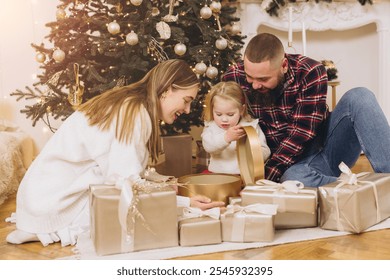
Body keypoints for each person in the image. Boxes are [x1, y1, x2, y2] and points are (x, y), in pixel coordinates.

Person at [6, 59, 224, 247]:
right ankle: (47, 229)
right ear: (167, 89)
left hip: (39, 195)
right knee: (125, 212)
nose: (187, 110)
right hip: (50, 201)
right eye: (187, 100)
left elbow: (128, 169)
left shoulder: (132, 104)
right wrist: (185, 203)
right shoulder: (133, 112)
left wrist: (168, 186)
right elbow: (125, 184)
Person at [223, 33, 390, 186]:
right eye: (249, 77)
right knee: (295, 180)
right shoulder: (233, 77)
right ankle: (360, 189)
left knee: (360, 96)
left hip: (325, 150)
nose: (254, 84)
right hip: (289, 168)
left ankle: (387, 181)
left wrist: (266, 178)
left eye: (263, 79)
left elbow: (301, 134)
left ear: (284, 65)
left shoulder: (310, 72)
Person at [201, 81, 271, 174]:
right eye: (218, 114)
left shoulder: (250, 126)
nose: (224, 119)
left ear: (241, 110)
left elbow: (265, 151)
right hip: (217, 175)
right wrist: (226, 138)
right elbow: (209, 147)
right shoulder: (211, 127)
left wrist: (252, 152)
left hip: (245, 176)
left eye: (230, 114)